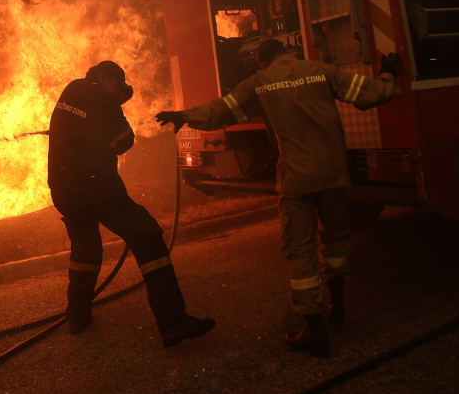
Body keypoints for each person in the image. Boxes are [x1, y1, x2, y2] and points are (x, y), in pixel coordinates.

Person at [156, 41, 400, 358]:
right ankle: (336, 304)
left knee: (301, 253)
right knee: (336, 240)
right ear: (289, 54)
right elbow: (371, 95)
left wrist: (184, 115)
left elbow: (221, 111)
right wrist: (388, 74)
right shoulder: (320, 71)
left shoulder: (260, 83)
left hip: (298, 180)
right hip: (333, 174)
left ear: (261, 63)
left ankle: (315, 331)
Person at [48, 60, 215, 348]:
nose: (120, 88)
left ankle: (77, 315)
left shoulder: (72, 90)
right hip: (95, 186)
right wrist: (115, 114)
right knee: (148, 235)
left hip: (63, 190)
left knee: (85, 249)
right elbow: (124, 140)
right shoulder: (102, 98)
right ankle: (172, 321)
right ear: (103, 78)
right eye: (118, 82)